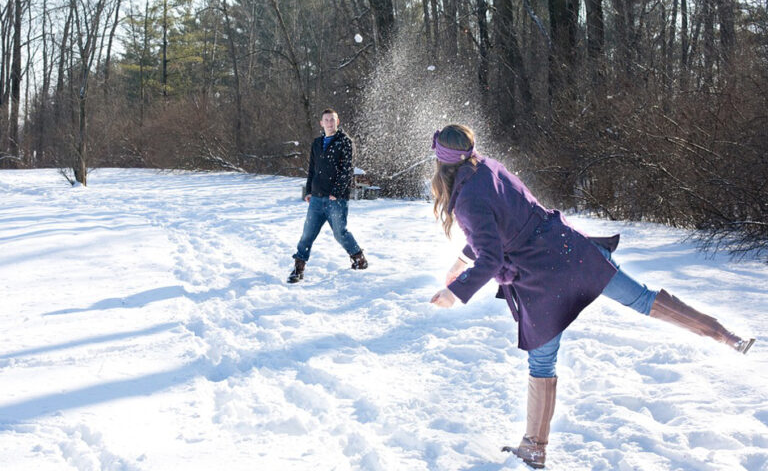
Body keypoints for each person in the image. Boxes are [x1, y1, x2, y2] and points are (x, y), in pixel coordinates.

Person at [427, 124, 755, 469]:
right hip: (571, 249)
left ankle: (535, 448)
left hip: (541, 277)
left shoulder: (466, 200)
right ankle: (725, 336)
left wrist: (455, 292)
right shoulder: (490, 168)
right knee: (643, 299)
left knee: (541, 363)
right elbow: (503, 223)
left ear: (441, 162)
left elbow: (491, 256)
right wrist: (462, 260)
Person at [288, 108, 368, 283]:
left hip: (336, 199)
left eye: (332, 120)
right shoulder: (316, 143)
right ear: (321, 123)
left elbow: (347, 169)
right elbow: (312, 169)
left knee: (340, 234)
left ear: (337, 122)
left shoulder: (344, 142)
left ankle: (359, 259)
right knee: (307, 234)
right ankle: (298, 268)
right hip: (316, 198)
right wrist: (309, 191)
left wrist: (336, 192)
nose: (330, 123)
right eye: (326, 120)